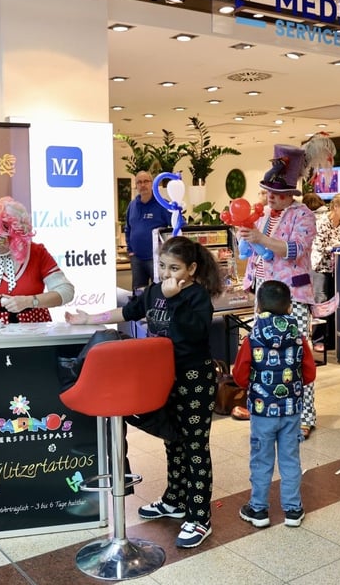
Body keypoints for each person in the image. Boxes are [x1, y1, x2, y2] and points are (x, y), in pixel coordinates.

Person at [65, 235, 223, 550]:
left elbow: (195, 332)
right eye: (162, 266)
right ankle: (175, 499)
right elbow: (127, 312)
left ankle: (199, 516)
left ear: (191, 269)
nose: (166, 273)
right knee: (172, 440)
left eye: (174, 268)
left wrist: (174, 298)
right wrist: (88, 318)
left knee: (194, 446)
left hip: (194, 378)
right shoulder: (153, 292)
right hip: (164, 377)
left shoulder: (197, 296)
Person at [240, 144, 317, 440]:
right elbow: (255, 253)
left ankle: (304, 416)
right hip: (264, 295)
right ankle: (265, 407)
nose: (270, 197)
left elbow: (295, 250)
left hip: (293, 297)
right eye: (268, 191)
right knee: (263, 356)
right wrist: (246, 239)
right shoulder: (262, 216)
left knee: (297, 356)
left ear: (289, 194)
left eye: (276, 193)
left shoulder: (303, 215)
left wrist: (260, 238)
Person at [233, 280, 316, 529]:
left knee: (261, 459)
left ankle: (258, 509)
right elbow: (309, 374)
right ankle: (293, 510)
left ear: (258, 307)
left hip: (262, 412)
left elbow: (239, 376)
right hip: (291, 410)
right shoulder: (299, 338)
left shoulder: (252, 338)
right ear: (290, 307)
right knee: (290, 459)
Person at [310, 192, 340, 352]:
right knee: (321, 301)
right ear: (335, 207)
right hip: (320, 265)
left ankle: (332, 338)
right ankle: (318, 339)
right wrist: (335, 246)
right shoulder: (321, 222)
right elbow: (319, 246)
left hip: (337, 266)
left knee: (335, 301)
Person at [124, 170, 171, 292]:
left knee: (160, 292)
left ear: (152, 183)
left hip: (157, 258)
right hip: (137, 259)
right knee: (138, 293)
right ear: (136, 185)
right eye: (139, 182)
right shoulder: (132, 205)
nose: (143, 185)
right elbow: (128, 229)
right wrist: (130, 251)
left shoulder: (162, 204)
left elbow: (175, 226)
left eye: (146, 181)